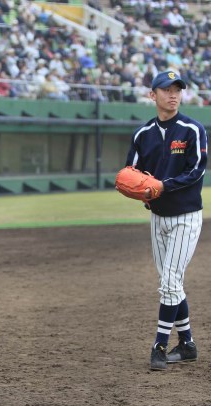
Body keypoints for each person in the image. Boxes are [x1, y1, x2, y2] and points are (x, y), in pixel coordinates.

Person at [123, 71, 208, 371]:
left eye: (177, 89)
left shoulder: (191, 129)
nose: (173, 94)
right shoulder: (143, 134)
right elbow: (129, 174)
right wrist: (142, 193)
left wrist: (163, 186)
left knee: (170, 281)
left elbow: (197, 170)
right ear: (152, 95)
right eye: (166, 89)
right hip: (158, 218)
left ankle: (159, 346)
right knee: (171, 283)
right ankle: (187, 344)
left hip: (186, 216)